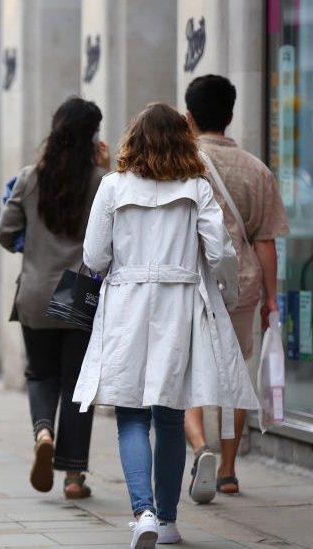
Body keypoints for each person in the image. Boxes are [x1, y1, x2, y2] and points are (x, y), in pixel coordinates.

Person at [72, 103, 260, 548]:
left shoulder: (113, 187)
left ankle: (143, 513)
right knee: (171, 416)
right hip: (180, 304)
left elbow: (94, 256)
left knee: (131, 413)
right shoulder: (197, 188)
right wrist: (228, 294)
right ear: (183, 140)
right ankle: (170, 518)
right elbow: (220, 252)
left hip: (127, 306)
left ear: (133, 140)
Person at [183, 74, 289, 502]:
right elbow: (265, 242)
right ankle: (227, 469)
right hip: (241, 286)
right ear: (230, 116)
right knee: (234, 375)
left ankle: (199, 447)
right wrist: (271, 298)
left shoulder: (181, 165)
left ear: (189, 117)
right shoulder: (256, 169)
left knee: (188, 372)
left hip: (192, 283)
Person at [0, 97, 108, 499]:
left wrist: (32, 250)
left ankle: (43, 431)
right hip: (78, 288)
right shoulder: (99, 181)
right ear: (92, 136)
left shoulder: (30, 177)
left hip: (37, 289)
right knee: (78, 383)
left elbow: (5, 232)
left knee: (40, 373)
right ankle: (74, 477)